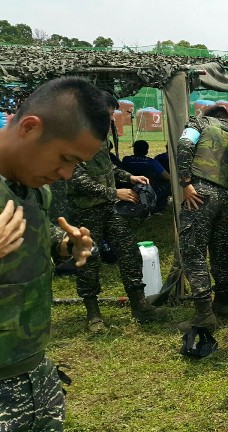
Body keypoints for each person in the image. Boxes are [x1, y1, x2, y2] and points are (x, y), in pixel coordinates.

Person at [0, 77, 107, 431]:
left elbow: (33, 234)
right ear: (30, 127)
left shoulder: (30, 188)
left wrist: (64, 243)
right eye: (65, 158)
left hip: (32, 373)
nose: (65, 174)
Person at [67, 92, 163, 332]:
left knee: (129, 250)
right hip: (86, 210)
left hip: (109, 207)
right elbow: (75, 178)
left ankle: (139, 305)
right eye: (109, 114)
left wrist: (127, 177)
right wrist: (115, 193)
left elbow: (107, 167)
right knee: (89, 257)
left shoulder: (100, 136)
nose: (111, 118)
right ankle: (93, 314)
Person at [176, 104, 228, 332]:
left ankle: (204, 314)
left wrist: (185, 181)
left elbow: (184, 144)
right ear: (227, 119)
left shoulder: (199, 123)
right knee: (222, 251)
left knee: (193, 251)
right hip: (227, 197)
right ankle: (222, 302)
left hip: (200, 193)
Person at [121, 139, 171, 212]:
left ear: (134, 150)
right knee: (170, 184)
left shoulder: (125, 160)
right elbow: (167, 177)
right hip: (148, 192)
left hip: (128, 190)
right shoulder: (151, 162)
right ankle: (158, 208)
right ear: (146, 151)